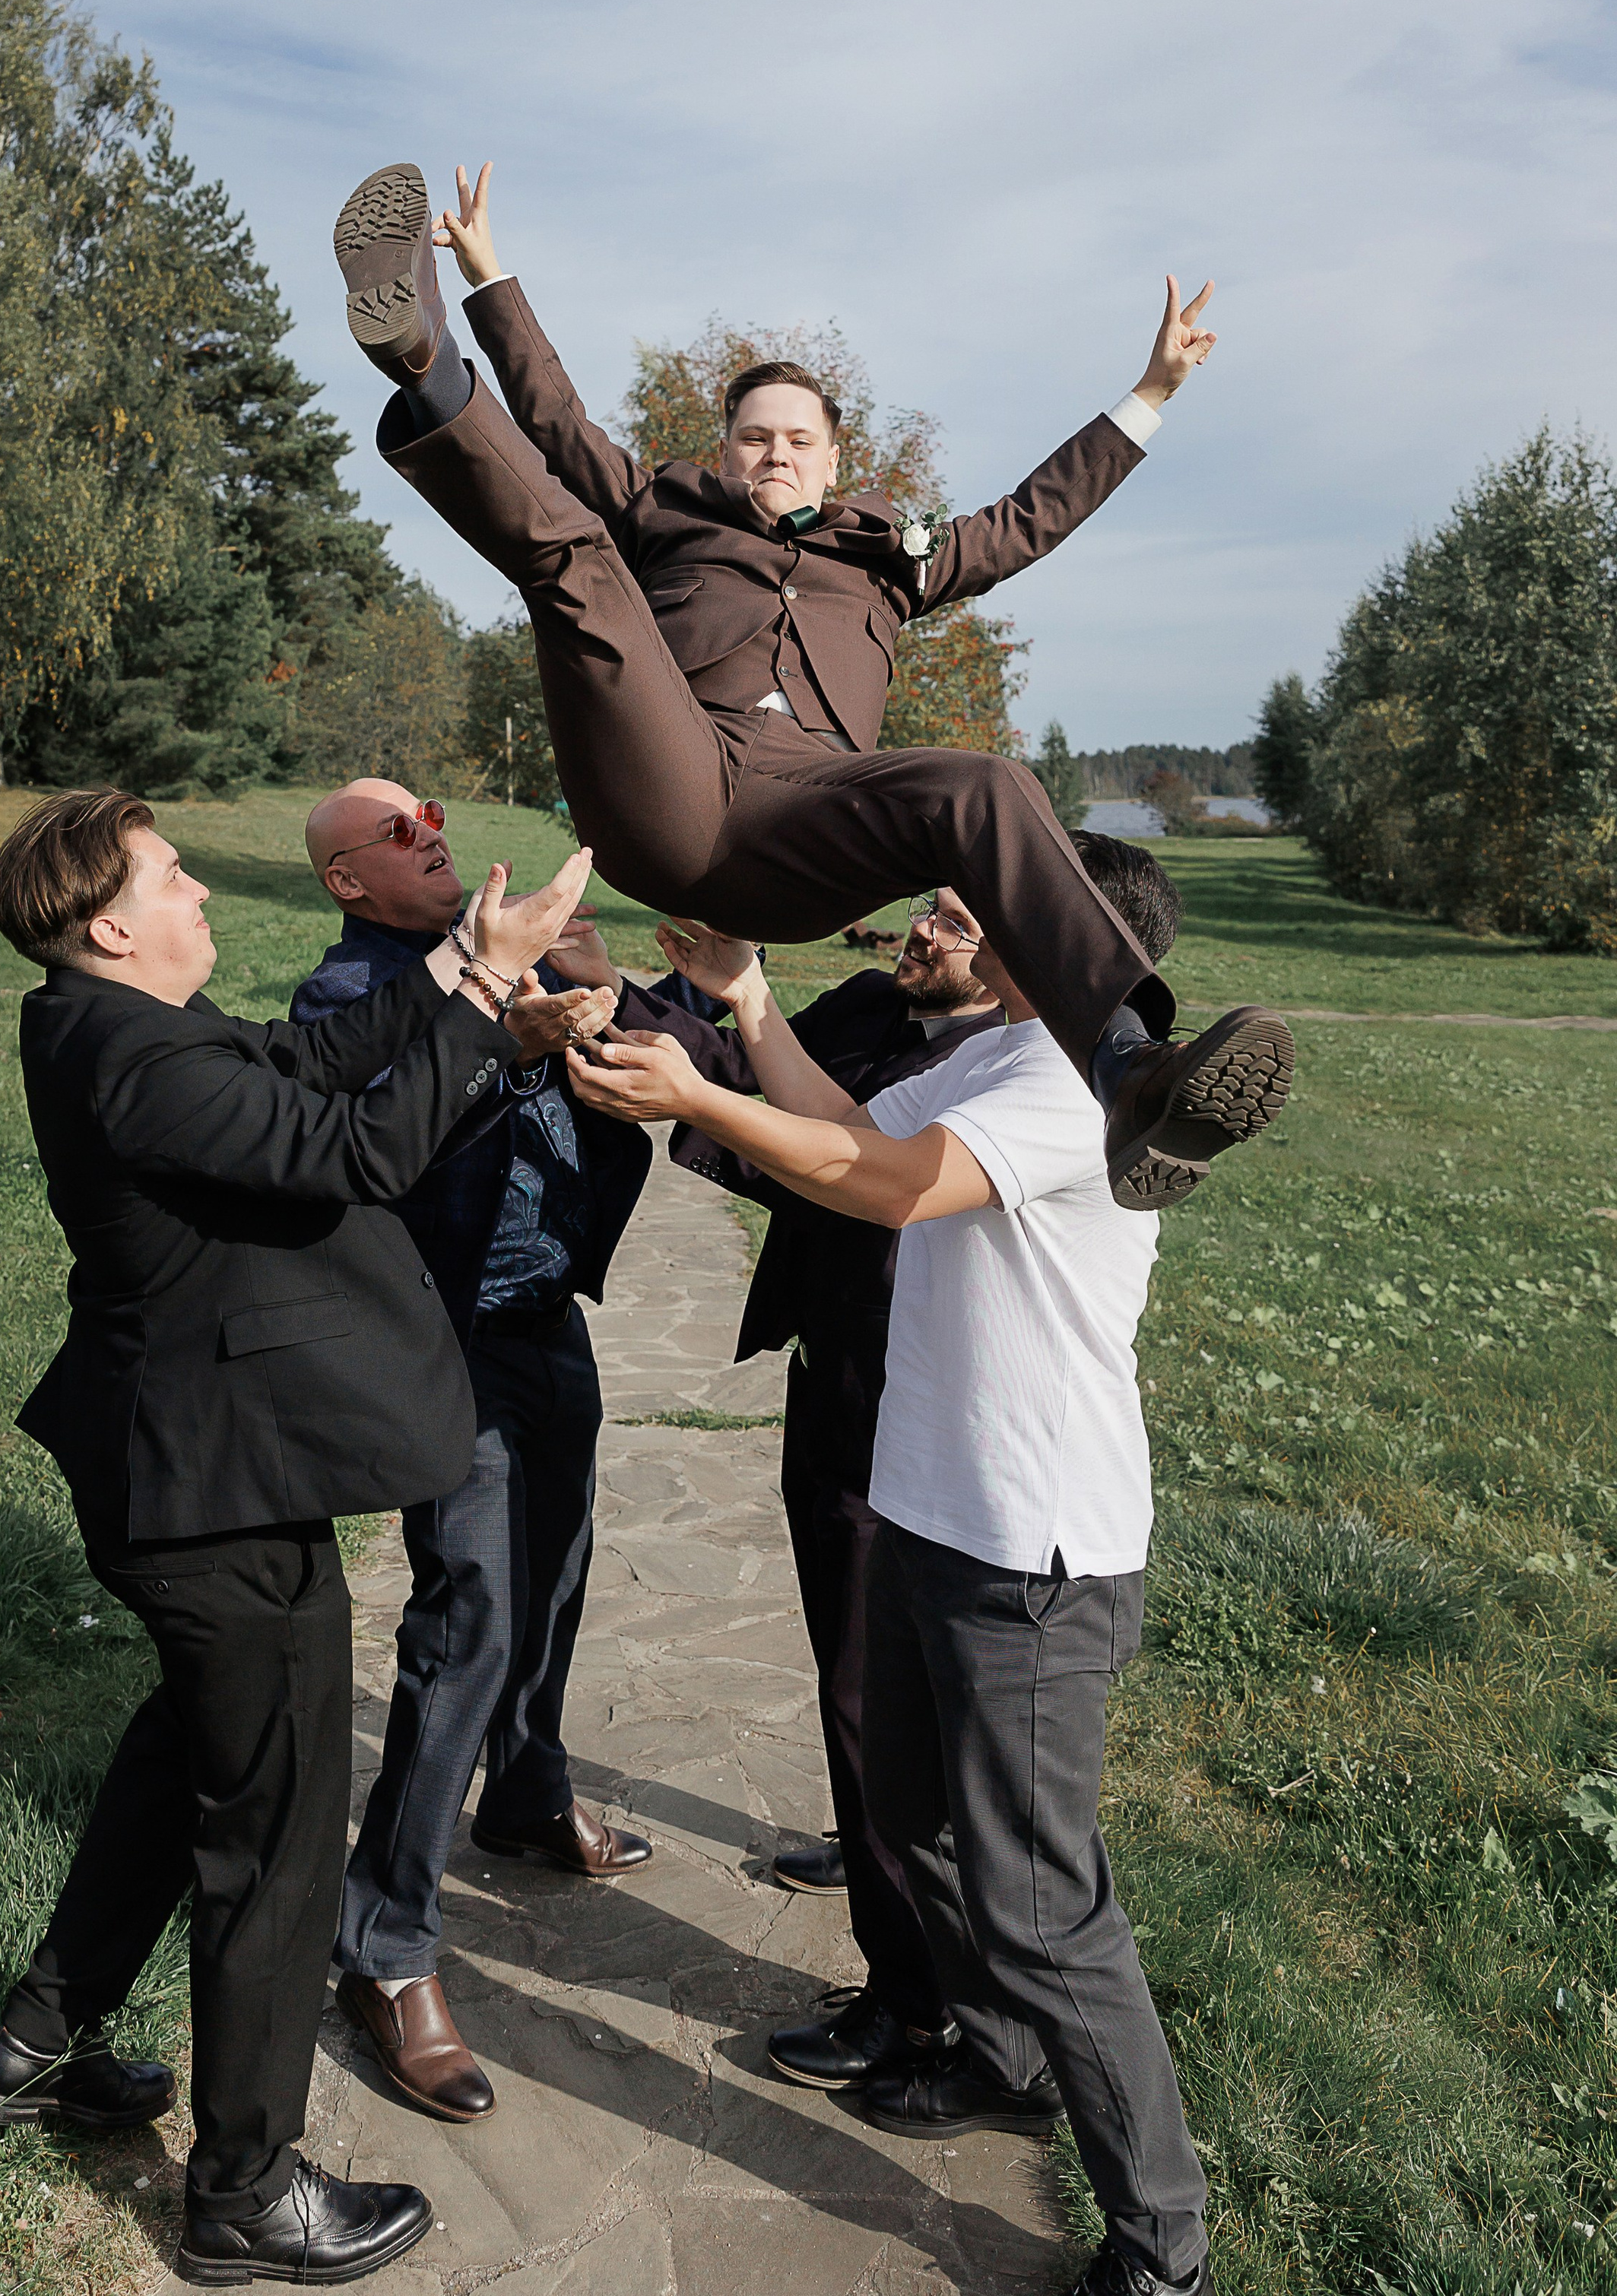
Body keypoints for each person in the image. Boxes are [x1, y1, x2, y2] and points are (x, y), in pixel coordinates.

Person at [328, 157, 1292, 1214]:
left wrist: (1150, 393)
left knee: (986, 784)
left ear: (834, 463)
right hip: (668, 777)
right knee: (576, 562)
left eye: (797, 440)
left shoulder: (894, 558)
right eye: (752, 438)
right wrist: (489, 280)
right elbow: (557, 424)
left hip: (804, 830)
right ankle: (419, 359)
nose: (772, 454)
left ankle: (1133, 1075)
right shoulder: (664, 514)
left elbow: (1031, 518)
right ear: (725, 451)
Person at [564, 841, 1211, 2296]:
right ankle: (993, 2059)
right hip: (932, 1516)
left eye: (991, 906)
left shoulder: (1067, 1090)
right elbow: (849, 1127)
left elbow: (893, 1188)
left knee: (1044, 1905)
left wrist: (699, 1089)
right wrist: (744, 1005)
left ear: (1064, 939)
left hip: (1032, 1555)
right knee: (910, 1819)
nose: (941, 918)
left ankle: (1164, 2243)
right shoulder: (996, 1061)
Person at [0, 788, 590, 2288]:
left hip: (183, 1474)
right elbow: (351, 1154)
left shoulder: (117, 1027)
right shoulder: (129, 1056)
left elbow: (307, 1061)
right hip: (212, 1497)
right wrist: (493, 994)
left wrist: (457, 970)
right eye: (174, 879)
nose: (201, 899)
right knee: (276, 1835)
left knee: (182, 1758)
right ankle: (244, 2193)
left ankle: (33, 2041)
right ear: (108, 921)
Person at [550, 879, 1004, 2069]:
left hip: (915, 1407)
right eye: (932, 907)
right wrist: (618, 998)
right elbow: (754, 1083)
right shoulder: (872, 1001)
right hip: (839, 1374)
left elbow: (852, 1158)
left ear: (1021, 951)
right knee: (854, 1680)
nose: (923, 928)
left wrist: (715, 1058)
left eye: (958, 922)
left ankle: (916, 1999)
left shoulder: (1007, 1070)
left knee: (875, 1695)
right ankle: (882, 1869)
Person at [285, 779, 655, 2126]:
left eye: (430, 817)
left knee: (555, 1573)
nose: (425, 833)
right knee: (473, 1618)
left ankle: (529, 1790)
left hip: (546, 1315)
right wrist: (507, 1033)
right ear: (348, 883)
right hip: (447, 1343)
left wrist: (601, 995)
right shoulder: (348, 994)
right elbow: (382, 1128)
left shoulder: (524, 968)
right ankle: (385, 1950)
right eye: (392, 832)